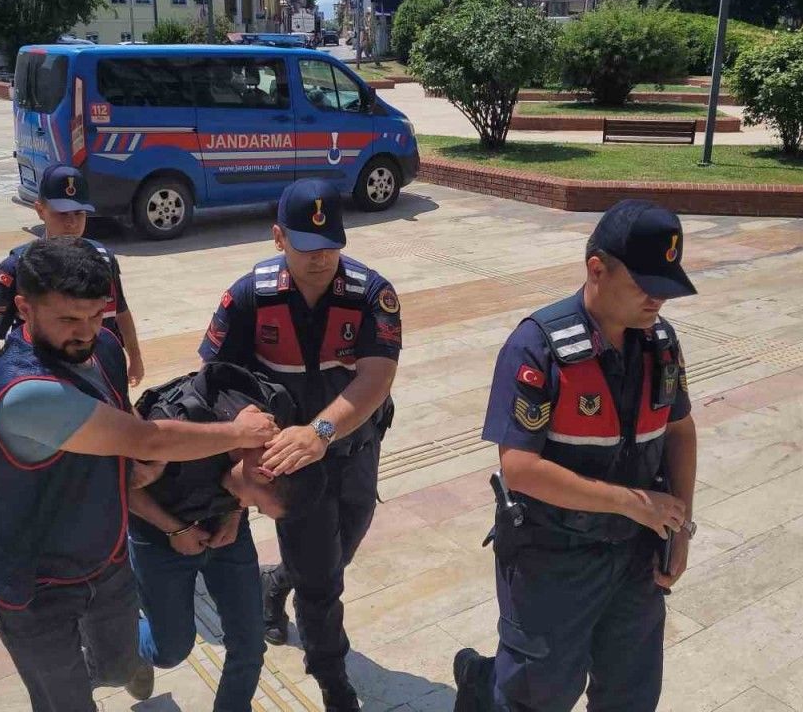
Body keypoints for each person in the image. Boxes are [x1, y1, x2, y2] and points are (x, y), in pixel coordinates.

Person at [0, 237, 279, 712]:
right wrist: (237, 433)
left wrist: (134, 466)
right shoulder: (25, 391)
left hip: (105, 557)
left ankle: (91, 665)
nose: (85, 332)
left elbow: (123, 426)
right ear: (24, 308)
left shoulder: (105, 348)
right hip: (34, 583)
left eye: (96, 315)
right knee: (66, 703)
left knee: (121, 667)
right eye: (68, 319)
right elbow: (146, 439)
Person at [452, 199, 699, 712]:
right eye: (644, 284)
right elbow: (520, 469)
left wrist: (682, 527)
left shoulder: (661, 343)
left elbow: (680, 430)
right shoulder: (536, 346)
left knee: (631, 696)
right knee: (537, 696)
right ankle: (483, 684)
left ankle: (487, 680)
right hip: (553, 557)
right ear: (597, 270)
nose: (658, 299)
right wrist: (632, 502)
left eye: (665, 286)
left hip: (636, 557)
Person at [199, 178, 401, 710]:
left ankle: (275, 583)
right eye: (307, 247)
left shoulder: (371, 295)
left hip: (354, 452)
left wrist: (321, 432)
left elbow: (378, 376)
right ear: (278, 238)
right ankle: (333, 678)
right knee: (322, 584)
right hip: (291, 467)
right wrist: (245, 430)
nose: (321, 258)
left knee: (340, 552)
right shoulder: (249, 296)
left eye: (330, 245)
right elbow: (214, 380)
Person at [128, 362, 304, 711]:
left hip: (223, 529)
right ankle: (118, 640)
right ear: (262, 472)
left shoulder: (276, 432)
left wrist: (234, 513)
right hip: (158, 532)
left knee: (250, 645)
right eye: (256, 504)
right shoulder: (175, 431)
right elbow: (123, 487)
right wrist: (175, 529)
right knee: (170, 650)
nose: (250, 507)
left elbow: (245, 484)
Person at [0, 163, 144, 385]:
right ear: (40, 210)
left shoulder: (102, 258)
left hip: (100, 370)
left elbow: (120, 312)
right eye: (62, 213)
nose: (71, 222)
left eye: (79, 213)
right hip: (41, 376)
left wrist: (135, 358)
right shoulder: (18, 266)